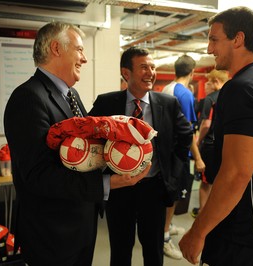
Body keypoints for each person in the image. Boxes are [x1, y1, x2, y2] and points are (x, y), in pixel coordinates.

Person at [3, 22, 149, 266]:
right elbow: (38, 175)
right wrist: (106, 183)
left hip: (80, 223)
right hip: (52, 232)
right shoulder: (28, 98)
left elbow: (82, 152)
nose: (84, 59)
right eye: (80, 50)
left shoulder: (71, 95)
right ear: (57, 48)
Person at [179, 6, 253, 265]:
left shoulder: (243, 88)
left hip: (245, 230)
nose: (209, 49)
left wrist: (198, 232)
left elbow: (237, 173)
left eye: (214, 39)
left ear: (238, 39)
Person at [88, 46, 193, 266]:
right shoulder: (106, 103)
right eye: (144, 67)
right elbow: (89, 137)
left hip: (153, 189)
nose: (151, 72)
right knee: (120, 249)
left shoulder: (167, 103)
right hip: (118, 189)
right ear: (126, 73)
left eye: (153, 67)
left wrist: (172, 174)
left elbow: (185, 136)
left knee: (153, 250)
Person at [161, 54, 206, 260]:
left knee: (170, 194)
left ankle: (167, 226)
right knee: (172, 196)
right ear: (192, 72)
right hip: (175, 153)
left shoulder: (167, 88)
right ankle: (164, 237)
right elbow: (187, 131)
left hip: (165, 150)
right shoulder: (185, 94)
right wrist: (198, 158)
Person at [191, 69, 229, 218]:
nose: (205, 85)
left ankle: (203, 213)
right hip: (226, 145)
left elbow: (206, 124)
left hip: (210, 145)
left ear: (215, 82)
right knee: (221, 180)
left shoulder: (210, 99)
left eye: (207, 82)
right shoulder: (231, 98)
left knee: (206, 182)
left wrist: (198, 141)